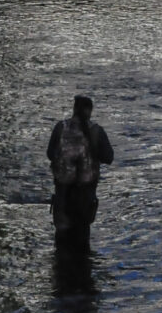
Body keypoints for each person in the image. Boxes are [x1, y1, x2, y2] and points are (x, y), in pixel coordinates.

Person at [47, 95, 113, 247]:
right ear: (90, 111)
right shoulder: (97, 131)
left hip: (62, 197)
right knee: (82, 243)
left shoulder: (60, 127)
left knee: (61, 244)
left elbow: (50, 154)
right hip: (85, 197)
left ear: (74, 109)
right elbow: (109, 157)